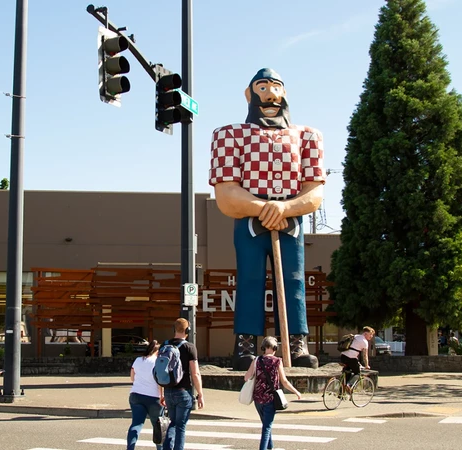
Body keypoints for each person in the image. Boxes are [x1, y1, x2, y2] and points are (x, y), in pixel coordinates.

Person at [209, 68, 326, 370]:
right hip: (249, 222)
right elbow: (226, 194)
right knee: (249, 279)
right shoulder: (229, 135)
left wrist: (285, 209)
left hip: (291, 223)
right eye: (262, 88)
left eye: (276, 87)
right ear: (249, 95)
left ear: (285, 94)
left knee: (294, 282)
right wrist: (265, 207)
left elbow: (314, 193)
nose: (271, 95)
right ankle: (245, 344)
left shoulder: (308, 137)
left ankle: (296, 344)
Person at [244, 336, 302, 450]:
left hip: (257, 398)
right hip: (271, 398)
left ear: (263, 347)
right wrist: (296, 392)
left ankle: (270, 447)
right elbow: (284, 381)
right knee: (267, 427)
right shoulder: (277, 361)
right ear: (275, 347)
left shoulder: (257, 360)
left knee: (266, 425)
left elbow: (246, 377)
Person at [162, 318, 204, 450]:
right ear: (188, 330)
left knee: (172, 423)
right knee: (180, 426)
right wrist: (200, 394)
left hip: (168, 390)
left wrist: (162, 392)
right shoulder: (189, 347)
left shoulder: (165, 345)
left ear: (174, 329)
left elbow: (160, 371)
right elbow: (195, 373)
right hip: (183, 391)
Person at [126, 340, 163, 450]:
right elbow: (160, 382)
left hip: (136, 394)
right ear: (158, 352)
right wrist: (162, 396)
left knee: (136, 424)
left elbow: (132, 378)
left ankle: (130, 447)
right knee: (158, 426)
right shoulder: (158, 363)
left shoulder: (138, 360)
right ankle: (160, 448)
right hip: (153, 397)